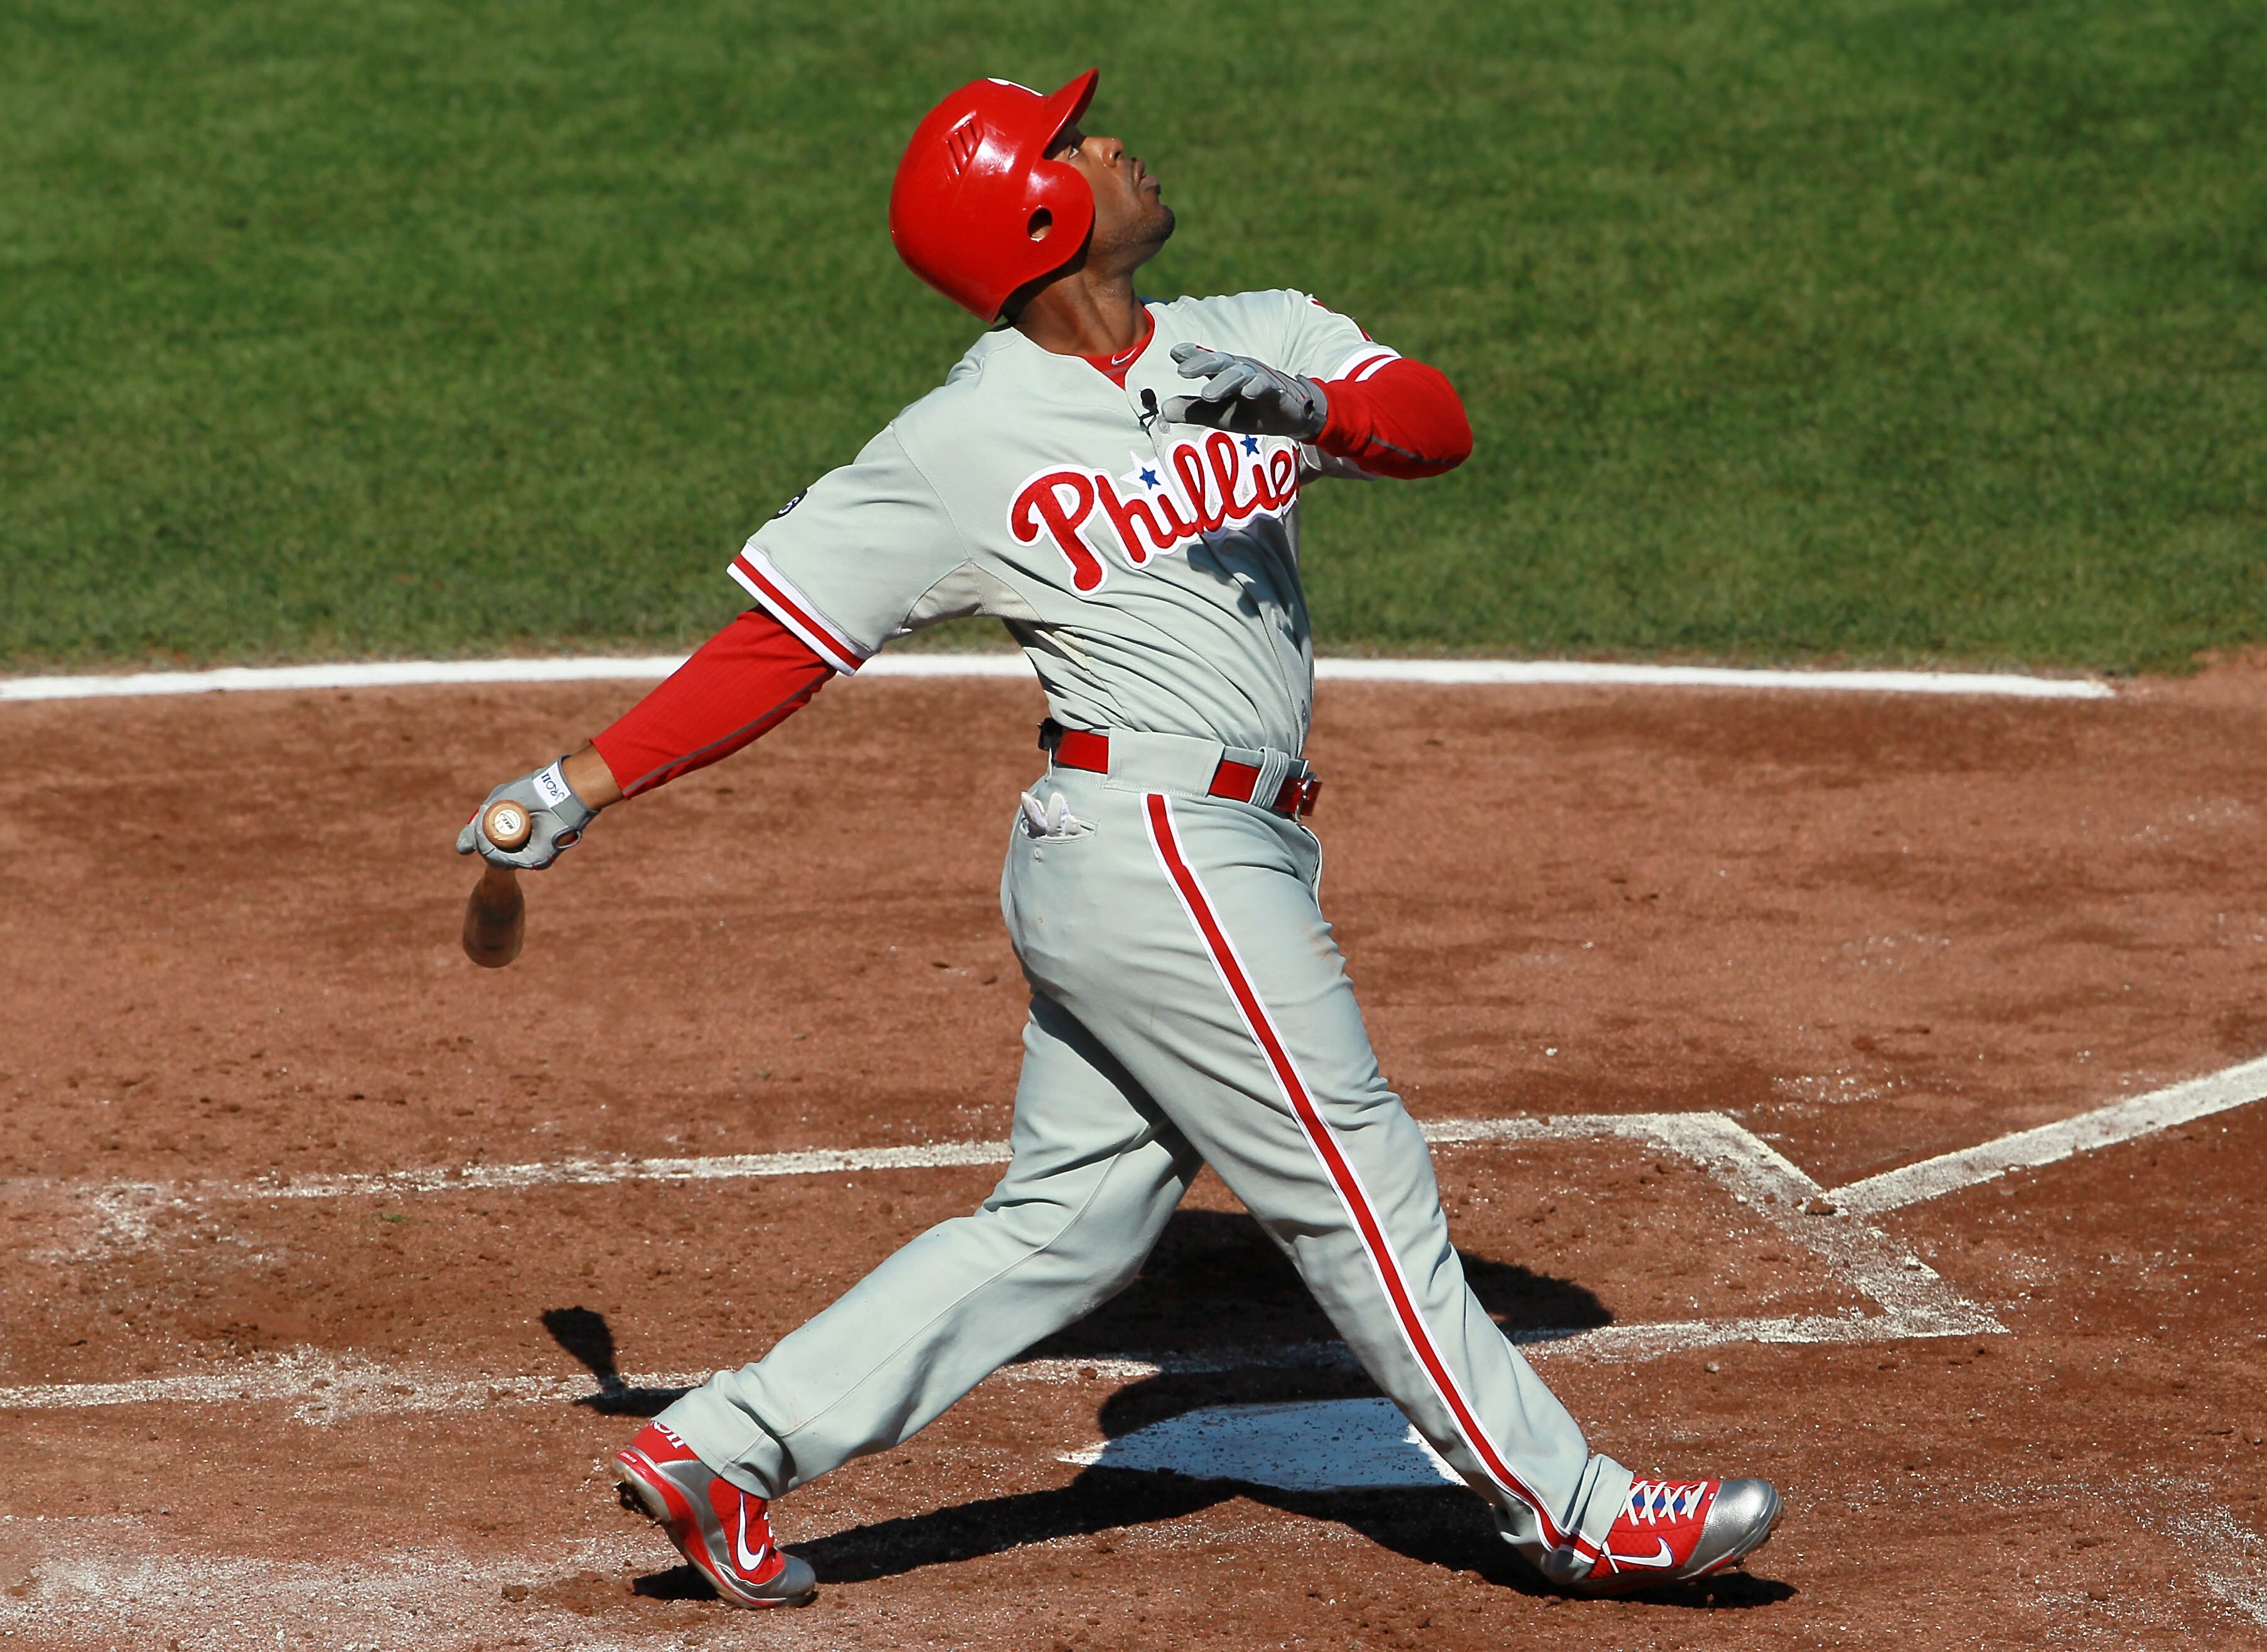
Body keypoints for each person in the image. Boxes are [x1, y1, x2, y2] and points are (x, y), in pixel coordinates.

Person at [457, 69, 1781, 1607]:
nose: (1115, 142)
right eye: (1075, 139)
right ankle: (1575, 1508)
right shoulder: (965, 436)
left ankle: (725, 1444)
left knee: (1071, 1221)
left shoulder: (1260, 330)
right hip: (1157, 846)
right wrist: (579, 784)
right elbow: (783, 644)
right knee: (1361, 1178)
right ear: (1038, 208)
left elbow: (1438, 425)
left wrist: (1305, 407)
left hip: (1200, 849)